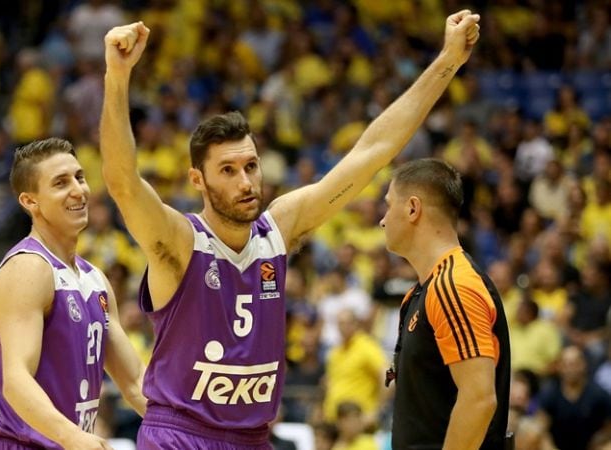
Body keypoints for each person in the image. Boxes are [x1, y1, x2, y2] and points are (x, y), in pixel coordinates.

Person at [100, 10, 481, 449]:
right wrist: (117, 75)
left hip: (254, 437)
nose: (245, 182)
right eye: (227, 170)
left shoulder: (278, 228)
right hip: (182, 436)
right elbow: (122, 182)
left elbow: (372, 151)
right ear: (197, 180)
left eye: (251, 166)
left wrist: (448, 60)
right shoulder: (179, 241)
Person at [0, 137, 146, 449]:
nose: (78, 190)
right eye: (60, 183)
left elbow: (135, 384)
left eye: (79, 177)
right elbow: (16, 380)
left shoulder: (95, 279)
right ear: (30, 201)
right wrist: (74, 438)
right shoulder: (28, 269)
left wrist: (192, 428)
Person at [379, 159, 512, 449]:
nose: (383, 219)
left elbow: (479, 400)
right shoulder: (421, 291)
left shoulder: (453, 285)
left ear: (413, 208)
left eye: (389, 206)